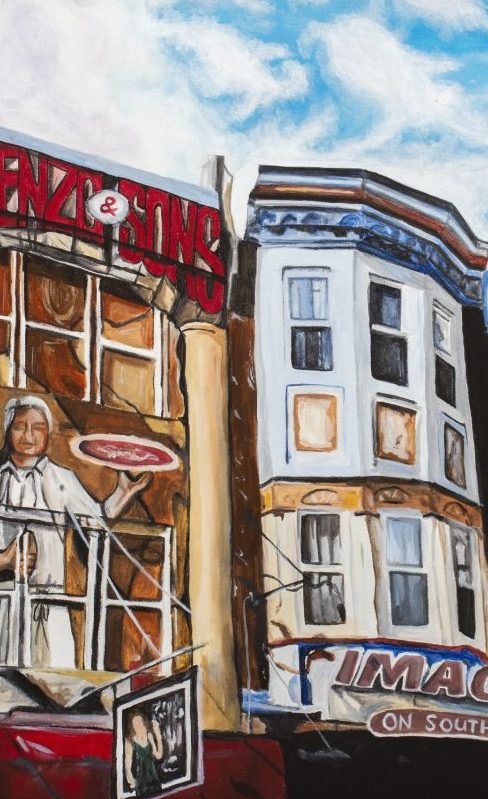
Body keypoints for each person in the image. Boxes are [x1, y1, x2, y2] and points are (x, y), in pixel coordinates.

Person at [0, 395, 151, 668]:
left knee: (57, 675)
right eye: (20, 426)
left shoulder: (61, 479)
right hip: (4, 601)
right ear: (8, 430)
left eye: (38, 427)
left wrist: (124, 493)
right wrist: (4, 560)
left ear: (48, 433)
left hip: (50, 602)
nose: (29, 435)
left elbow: (95, 520)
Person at [124, 709, 164, 796]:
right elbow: (128, 765)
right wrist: (130, 779)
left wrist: (158, 735)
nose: (139, 726)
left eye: (140, 722)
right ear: (132, 726)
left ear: (144, 723)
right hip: (141, 784)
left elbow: (158, 755)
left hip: (154, 780)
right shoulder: (130, 741)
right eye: (136, 723)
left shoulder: (149, 736)